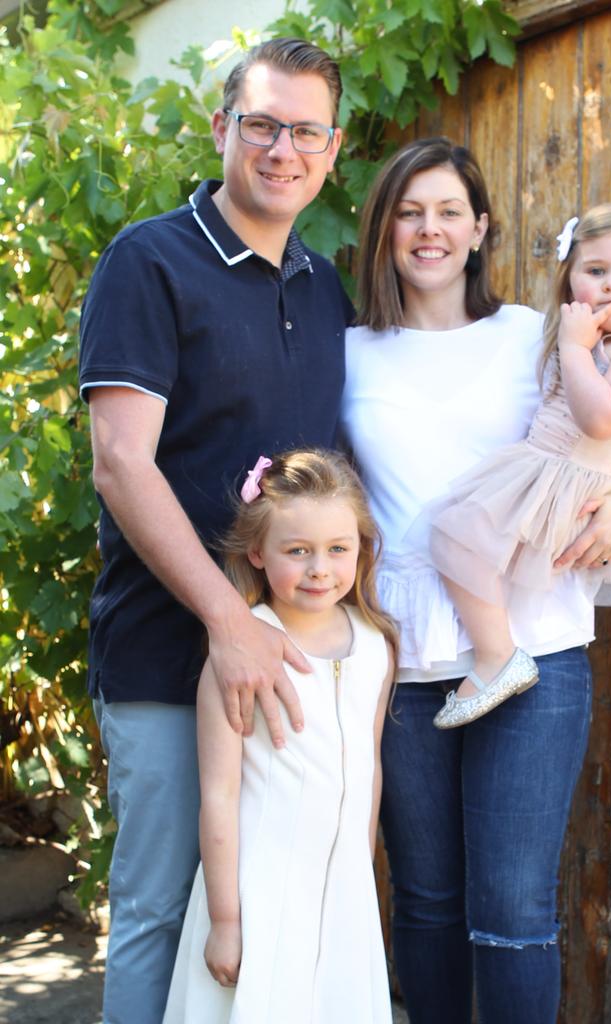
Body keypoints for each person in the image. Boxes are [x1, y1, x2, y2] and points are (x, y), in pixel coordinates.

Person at [340, 138, 611, 1024]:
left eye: (450, 210)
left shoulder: (534, 335)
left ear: (482, 227)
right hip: (407, 662)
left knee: (515, 914)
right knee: (425, 900)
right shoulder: (346, 353)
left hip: (537, 645)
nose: (430, 229)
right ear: (382, 230)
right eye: (409, 211)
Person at [78, 38, 352, 1024]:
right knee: (160, 906)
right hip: (165, 651)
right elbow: (121, 461)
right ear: (222, 129)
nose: (284, 149)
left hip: (288, 661)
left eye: (306, 131)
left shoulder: (326, 286)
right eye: (264, 123)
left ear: (332, 146)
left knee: (261, 909)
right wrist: (228, 624)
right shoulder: (149, 260)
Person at [417, 201, 611, 728]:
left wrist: (574, 348)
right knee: (455, 536)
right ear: (570, 286)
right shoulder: (595, 343)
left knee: (457, 533)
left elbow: (601, 420)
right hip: (547, 467)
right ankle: (498, 653)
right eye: (596, 271)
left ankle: (499, 658)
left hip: (575, 480)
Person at [162, 449, 396, 1024]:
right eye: (298, 551)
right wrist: (226, 922)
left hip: (341, 890)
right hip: (259, 892)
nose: (321, 568)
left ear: (361, 548)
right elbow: (218, 793)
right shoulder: (242, 650)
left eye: (338, 549)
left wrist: (358, 874)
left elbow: (369, 766)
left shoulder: (375, 643)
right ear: (257, 554)